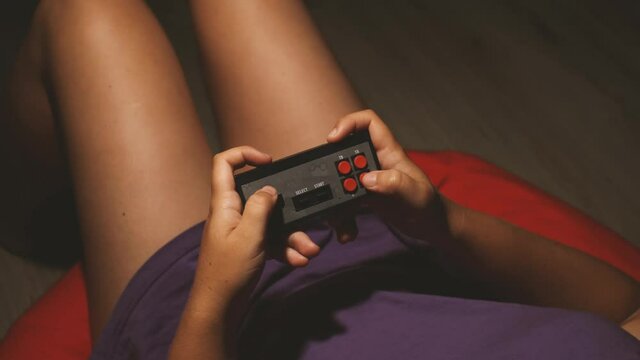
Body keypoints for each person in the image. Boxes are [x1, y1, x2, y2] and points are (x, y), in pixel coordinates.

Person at [2, 0, 639, 358]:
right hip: (380, 260)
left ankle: (27, 224)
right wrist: (445, 224)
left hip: (211, 328)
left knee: (85, 14)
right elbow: (629, 309)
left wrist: (216, 297)